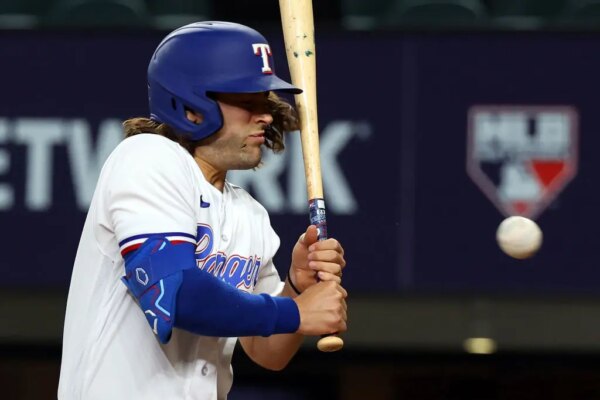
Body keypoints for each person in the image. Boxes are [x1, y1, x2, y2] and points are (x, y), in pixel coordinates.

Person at [57, 21, 348, 400]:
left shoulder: (250, 213)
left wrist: (296, 287)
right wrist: (296, 313)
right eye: (247, 101)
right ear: (191, 108)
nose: (266, 116)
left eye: (265, 102)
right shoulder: (148, 157)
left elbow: (267, 352)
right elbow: (172, 294)